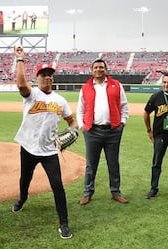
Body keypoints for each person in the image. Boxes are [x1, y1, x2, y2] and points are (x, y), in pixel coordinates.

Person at [12, 46, 78, 239]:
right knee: (25, 179)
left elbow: (71, 121)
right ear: (38, 78)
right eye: (43, 74)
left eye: (50, 74)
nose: (47, 77)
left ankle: (64, 223)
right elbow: (21, 84)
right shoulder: (31, 95)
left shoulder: (60, 100)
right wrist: (20, 59)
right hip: (28, 147)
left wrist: (74, 129)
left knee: (57, 185)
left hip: (49, 151)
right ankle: (22, 198)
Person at [76, 59, 129, 206]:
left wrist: (122, 122)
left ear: (106, 70)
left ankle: (115, 192)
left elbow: (124, 106)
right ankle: (87, 193)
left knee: (113, 163)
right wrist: (82, 126)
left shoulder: (116, 85)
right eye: (96, 67)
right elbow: (80, 110)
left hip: (113, 131)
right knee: (91, 164)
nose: (99, 69)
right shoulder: (85, 88)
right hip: (92, 131)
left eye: (101, 67)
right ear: (92, 70)